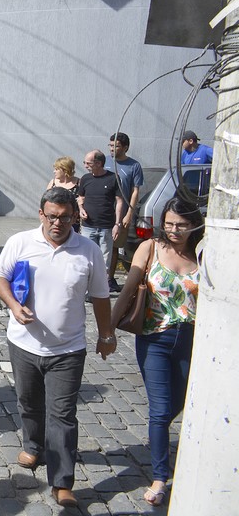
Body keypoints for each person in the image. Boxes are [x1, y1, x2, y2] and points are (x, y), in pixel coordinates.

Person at [0, 187, 115, 509]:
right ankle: (33, 445)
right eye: (51, 216)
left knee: (62, 414)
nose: (57, 223)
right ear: (41, 215)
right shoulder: (20, 243)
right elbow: (0, 277)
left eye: (64, 217)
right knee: (29, 403)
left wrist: (106, 334)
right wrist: (14, 307)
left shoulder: (88, 251)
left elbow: (101, 296)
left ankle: (62, 482)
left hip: (68, 349)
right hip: (23, 343)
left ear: (75, 216)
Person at [110, 197, 202, 506]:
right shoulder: (150, 248)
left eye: (182, 225)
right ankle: (160, 476)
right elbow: (129, 286)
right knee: (161, 410)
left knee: (182, 402)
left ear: (195, 226)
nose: (174, 230)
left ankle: (161, 438)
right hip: (154, 339)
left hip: (192, 341)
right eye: (169, 223)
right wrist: (108, 328)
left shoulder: (201, 255)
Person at [78, 149, 124, 293]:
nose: (85, 165)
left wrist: (118, 224)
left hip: (106, 226)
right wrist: (81, 209)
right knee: (85, 258)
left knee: (104, 261)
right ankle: (86, 289)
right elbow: (80, 198)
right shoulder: (85, 179)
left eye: (88, 163)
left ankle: (99, 290)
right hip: (88, 226)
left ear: (98, 163)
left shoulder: (113, 178)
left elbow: (119, 201)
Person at [106, 132, 145, 290]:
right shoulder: (105, 162)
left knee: (114, 246)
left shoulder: (134, 166)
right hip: (102, 211)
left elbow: (135, 191)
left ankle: (109, 279)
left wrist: (129, 213)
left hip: (120, 213)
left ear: (125, 147)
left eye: (116, 146)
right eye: (110, 146)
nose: (112, 149)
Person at [46, 156, 80, 232]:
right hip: (54, 219)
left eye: (56, 169)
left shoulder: (79, 183)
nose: (54, 172)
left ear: (65, 170)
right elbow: (45, 200)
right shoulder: (53, 183)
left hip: (72, 221)